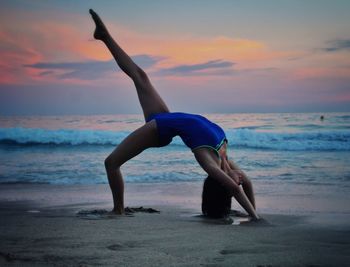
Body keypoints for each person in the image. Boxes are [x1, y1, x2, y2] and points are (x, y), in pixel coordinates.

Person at [89, 9, 260, 220]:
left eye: (236, 181)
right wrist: (253, 213)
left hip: (159, 130)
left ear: (225, 182)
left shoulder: (208, 161)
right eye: (238, 180)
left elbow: (236, 189)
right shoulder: (223, 155)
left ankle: (118, 209)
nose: (240, 179)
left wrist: (257, 219)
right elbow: (247, 183)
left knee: (111, 163)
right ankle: (105, 37)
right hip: (166, 119)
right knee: (140, 76)